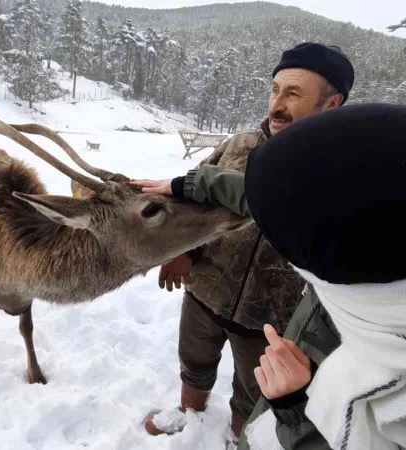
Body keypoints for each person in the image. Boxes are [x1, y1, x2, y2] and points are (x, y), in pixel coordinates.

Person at [134, 103, 406, 449]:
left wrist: (297, 409)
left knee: (249, 385)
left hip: (274, 360)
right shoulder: (376, 263)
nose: (278, 101)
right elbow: (272, 197)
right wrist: (190, 185)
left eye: (291, 244)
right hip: (244, 335)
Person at [141, 42, 355, 445]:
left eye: (293, 94)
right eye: (275, 90)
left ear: (332, 103)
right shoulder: (239, 145)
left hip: (272, 318)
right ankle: (191, 413)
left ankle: (241, 437)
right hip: (207, 288)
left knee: (255, 390)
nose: (277, 105)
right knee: (195, 361)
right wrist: (181, 252)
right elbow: (190, 197)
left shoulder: (338, 172)